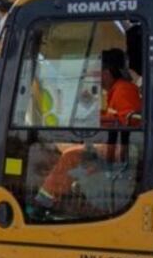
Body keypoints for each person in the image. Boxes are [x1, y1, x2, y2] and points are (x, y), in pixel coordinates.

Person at [33, 49, 142, 213]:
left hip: (120, 148)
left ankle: (44, 203)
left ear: (106, 73)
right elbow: (116, 116)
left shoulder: (124, 89)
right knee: (61, 154)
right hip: (113, 146)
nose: (97, 80)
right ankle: (59, 197)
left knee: (71, 155)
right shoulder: (117, 91)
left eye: (98, 74)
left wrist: (99, 120)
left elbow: (131, 120)